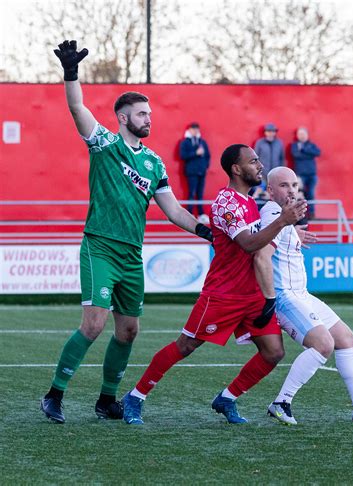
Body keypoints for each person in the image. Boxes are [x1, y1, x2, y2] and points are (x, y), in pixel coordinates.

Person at [40, 40, 213, 424]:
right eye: (140, 114)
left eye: (149, 114)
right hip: (99, 246)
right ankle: (54, 394)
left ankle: (106, 400)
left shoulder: (154, 162)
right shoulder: (104, 143)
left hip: (132, 256)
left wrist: (206, 230)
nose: (148, 119)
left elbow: (173, 211)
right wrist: (71, 73)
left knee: (129, 330)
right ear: (122, 117)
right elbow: (76, 107)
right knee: (94, 323)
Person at [121, 144, 307, 425]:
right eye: (253, 161)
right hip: (223, 294)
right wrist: (283, 221)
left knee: (273, 352)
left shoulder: (249, 201)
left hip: (253, 293)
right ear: (236, 168)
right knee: (185, 346)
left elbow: (261, 241)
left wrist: (291, 232)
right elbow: (248, 245)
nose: (260, 165)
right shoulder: (226, 203)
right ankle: (134, 397)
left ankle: (227, 398)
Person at [253, 167, 353, 425]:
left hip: (302, 294)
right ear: (270, 191)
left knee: (345, 338)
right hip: (284, 296)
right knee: (323, 344)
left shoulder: (284, 219)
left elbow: (278, 231)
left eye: (294, 185)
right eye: (283, 186)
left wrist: (293, 231)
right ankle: (281, 402)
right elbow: (262, 246)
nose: (291, 191)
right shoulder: (273, 213)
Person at [179, 122, 211, 223]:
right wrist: (195, 153)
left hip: (201, 171)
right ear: (189, 130)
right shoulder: (185, 142)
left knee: (200, 194)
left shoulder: (202, 142)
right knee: (191, 193)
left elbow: (208, 156)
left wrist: (205, 166)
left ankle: (201, 214)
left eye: (197, 129)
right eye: (193, 129)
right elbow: (182, 155)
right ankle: (190, 213)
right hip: (191, 171)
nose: (196, 131)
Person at [291, 127, 321, 218]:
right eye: (300, 134)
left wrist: (304, 149)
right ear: (297, 135)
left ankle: (311, 214)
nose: (302, 136)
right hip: (300, 175)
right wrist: (309, 154)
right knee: (300, 194)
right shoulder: (295, 145)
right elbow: (296, 155)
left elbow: (318, 152)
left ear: (307, 135)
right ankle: (301, 214)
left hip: (312, 174)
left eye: (303, 134)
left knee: (311, 194)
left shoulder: (311, 145)